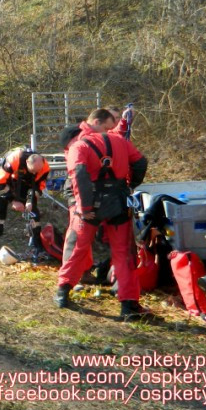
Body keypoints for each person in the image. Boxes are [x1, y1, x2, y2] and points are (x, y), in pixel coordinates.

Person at [54, 109, 150, 321]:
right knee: (123, 253)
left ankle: (63, 292)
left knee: (78, 247)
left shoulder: (79, 146)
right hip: (118, 202)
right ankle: (128, 304)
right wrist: (130, 184)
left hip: (90, 204)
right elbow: (140, 163)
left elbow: (79, 175)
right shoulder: (120, 142)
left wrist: (85, 208)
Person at [0, 149, 51, 258]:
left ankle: (37, 246)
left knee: (33, 214)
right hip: (4, 183)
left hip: (25, 185)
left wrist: (30, 200)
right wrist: (13, 200)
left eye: (36, 171)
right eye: (32, 170)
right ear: (27, 162)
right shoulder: (14, 159)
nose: (34, 173)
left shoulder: (45, 167)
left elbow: (38, 187)